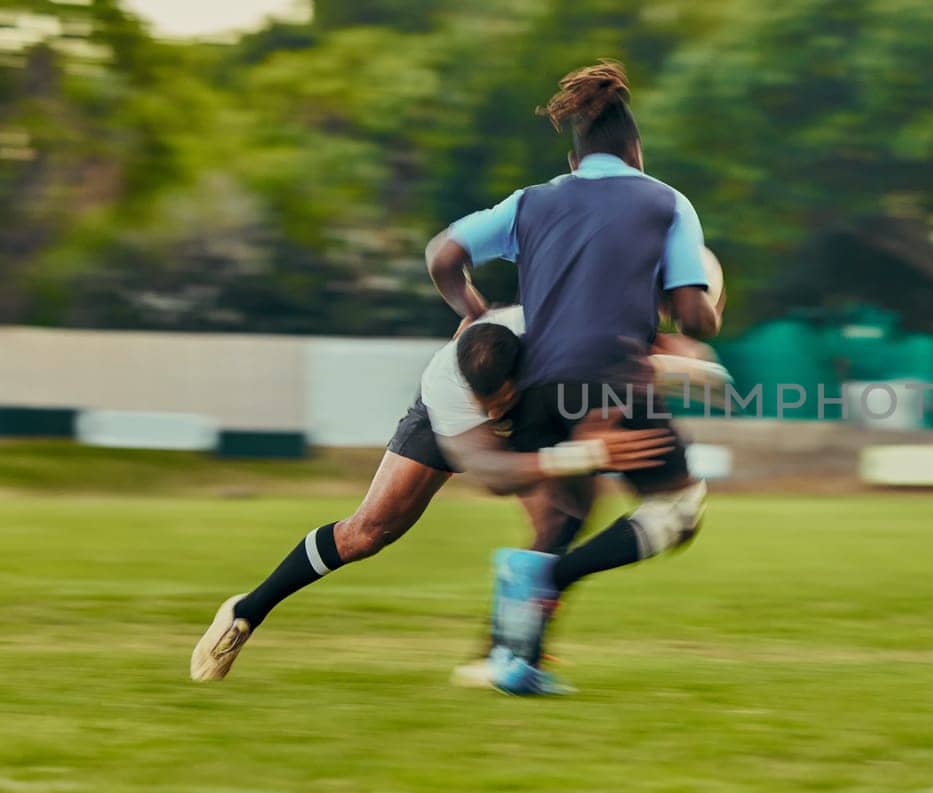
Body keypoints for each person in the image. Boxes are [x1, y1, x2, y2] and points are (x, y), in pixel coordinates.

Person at [188, 305, 715, 684]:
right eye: (484, 401)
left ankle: (508, 655)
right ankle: (246, 610)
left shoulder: (555, 342)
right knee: (368, 532)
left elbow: (626, 335)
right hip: (454, 430)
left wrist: (677, 354)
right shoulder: (454, 393)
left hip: (539, 406)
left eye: (499, 399)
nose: (492, 411)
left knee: (562, 518)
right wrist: (583, 455)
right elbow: (493, 473)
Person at [422, 60, 722, 694]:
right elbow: (695, 317)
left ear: (575, 154)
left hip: (539, 385)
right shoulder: (665, 200)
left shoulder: (534, 200)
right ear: (636, 150)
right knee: (681, 507)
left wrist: (473, 312)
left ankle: (511, 657)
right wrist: (709, 299)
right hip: (612, 380)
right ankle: (547, 582)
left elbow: (442, 255)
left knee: (566, 512)